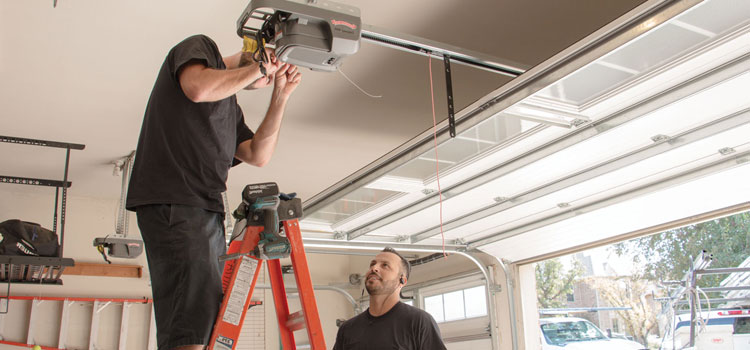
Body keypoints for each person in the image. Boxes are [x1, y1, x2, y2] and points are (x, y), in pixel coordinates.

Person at [125, 34, 301, 350]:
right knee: (192, 324)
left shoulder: (229, 109)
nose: (266, 77)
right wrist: (258, 68)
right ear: (254, 52)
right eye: (267, 67)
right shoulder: (201, 47)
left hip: (202, 209)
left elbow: (258, 154)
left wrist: (281, 95)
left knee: (200, 319)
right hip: (178, 200)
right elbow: (197, 87)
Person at [333, 247, 447, 350]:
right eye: (372, 264)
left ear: (402, 280)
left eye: (385, 265)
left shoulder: (419, 321)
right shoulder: (348, 329)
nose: (374, 268)